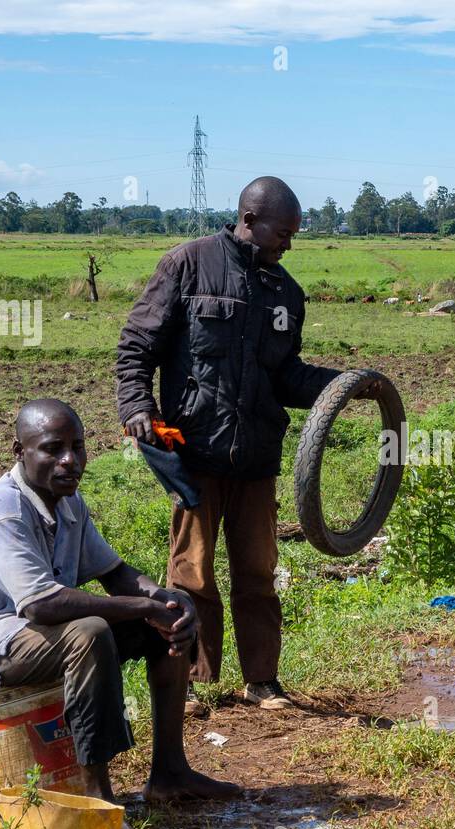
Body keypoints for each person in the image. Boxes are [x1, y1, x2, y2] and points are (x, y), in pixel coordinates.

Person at [0, 399, 237, 803]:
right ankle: (97, 798)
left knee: (165, 623)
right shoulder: (2, 508)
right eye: (53, 449)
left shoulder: (68, 502)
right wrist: (143, 607)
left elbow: (114, 573)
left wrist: (166, 601)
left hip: (29, 634)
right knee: (88, 634)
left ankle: (170, 773)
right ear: (19, 452)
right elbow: (43, 606)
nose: (70, 460)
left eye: (78, 447)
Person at [117, 177, 350, 709]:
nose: (289, 243)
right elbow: (136, 347)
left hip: (256, 458)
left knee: (258, 573)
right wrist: (137, 409)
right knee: (191, 572)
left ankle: (262, 681)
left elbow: (285, 376)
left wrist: (344, 385)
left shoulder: (285, 292)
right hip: (194, 454)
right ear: (250, 219)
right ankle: (191, 682)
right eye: (284, 232)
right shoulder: (187, 265)